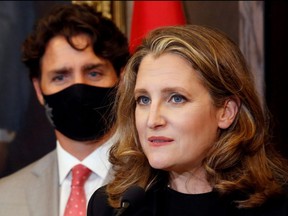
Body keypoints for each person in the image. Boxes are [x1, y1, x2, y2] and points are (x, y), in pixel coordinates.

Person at [87, 25, 288, 216]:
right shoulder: (113, 208)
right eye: (144, 99)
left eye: (176, 98)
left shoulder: (278, 205)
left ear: (226, 112)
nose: (152, 120)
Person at [0, 3, 129, 216]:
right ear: (39, 90)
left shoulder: (161, 183)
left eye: (94, 73)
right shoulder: (5, 197)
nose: (77, 87)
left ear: (121, 80)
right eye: (60, 77)